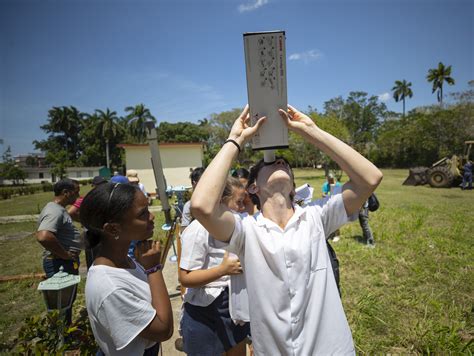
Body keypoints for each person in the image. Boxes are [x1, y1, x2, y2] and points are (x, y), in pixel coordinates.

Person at [190, 104, 383, 355]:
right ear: (253, 188)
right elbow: (201, 206)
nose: (279, 160)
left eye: (284, 163)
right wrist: (234, 140)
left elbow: (370, 178)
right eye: (269, 163)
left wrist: (313, 132)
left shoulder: (317, 217)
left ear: (292, 186)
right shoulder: (245, 231)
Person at [80, 182, 173, 355]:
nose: (152, 217)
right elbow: (164, 330)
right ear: (113, 228)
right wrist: (153, 269)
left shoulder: (127, 261)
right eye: (142, 214)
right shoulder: (110, 288)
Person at [179, 177, 249, 356]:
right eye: (239, 202)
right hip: (205, 313)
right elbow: (186, 278)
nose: (242, 208)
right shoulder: (198, 230)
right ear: (220, 202)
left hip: (231, 307)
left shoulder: (239, 226)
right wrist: (222, 270)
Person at [36, 178, 82, 324]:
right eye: (76, 192)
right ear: (66, 193)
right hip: (59, 263)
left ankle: (65, 333)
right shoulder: (54, 211)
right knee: (61, 303)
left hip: (63, 262)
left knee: (66, 300)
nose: (78, 196)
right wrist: (66, 255)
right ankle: (61, 338)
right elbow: (44, 236)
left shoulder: (59, 209)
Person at [67, 176, 108, 269]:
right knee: (94, 260)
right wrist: (85, 221)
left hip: (102, 233)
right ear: (93, 186)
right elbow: (71, 212)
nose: (102, 187)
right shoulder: (87, 198)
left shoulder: (103, 197)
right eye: (100, 185)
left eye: (104, 184)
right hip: (92, 234)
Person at [322, 173, 343, 242]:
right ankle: (330, 234)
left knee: (336, 220)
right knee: (329, 220)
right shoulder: (325, 185)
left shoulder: (338, 185)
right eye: (328, 180)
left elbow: (341, 195)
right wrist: (326, 195)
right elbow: (323, 194)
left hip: (336, 204)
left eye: (331, 180)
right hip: (327, 204)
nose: (330, 181)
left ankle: (337, 235)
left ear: (333, 179)